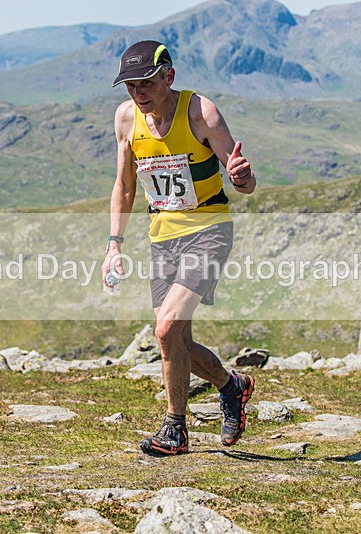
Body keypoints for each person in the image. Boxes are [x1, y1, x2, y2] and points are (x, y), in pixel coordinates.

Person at [103, 40, 257, 456]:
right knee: (177, 342)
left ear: (169, 76)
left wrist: (242, 177)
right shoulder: (125, 119)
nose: (138, 93)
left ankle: (175, 428)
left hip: (209, 229)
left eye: (146, 83)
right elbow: (125, 186)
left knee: (166, 327)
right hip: (163, 237)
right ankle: (233, 386)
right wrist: (114, 244)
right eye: (130, 86)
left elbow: (242, 180)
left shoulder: (200, 112)